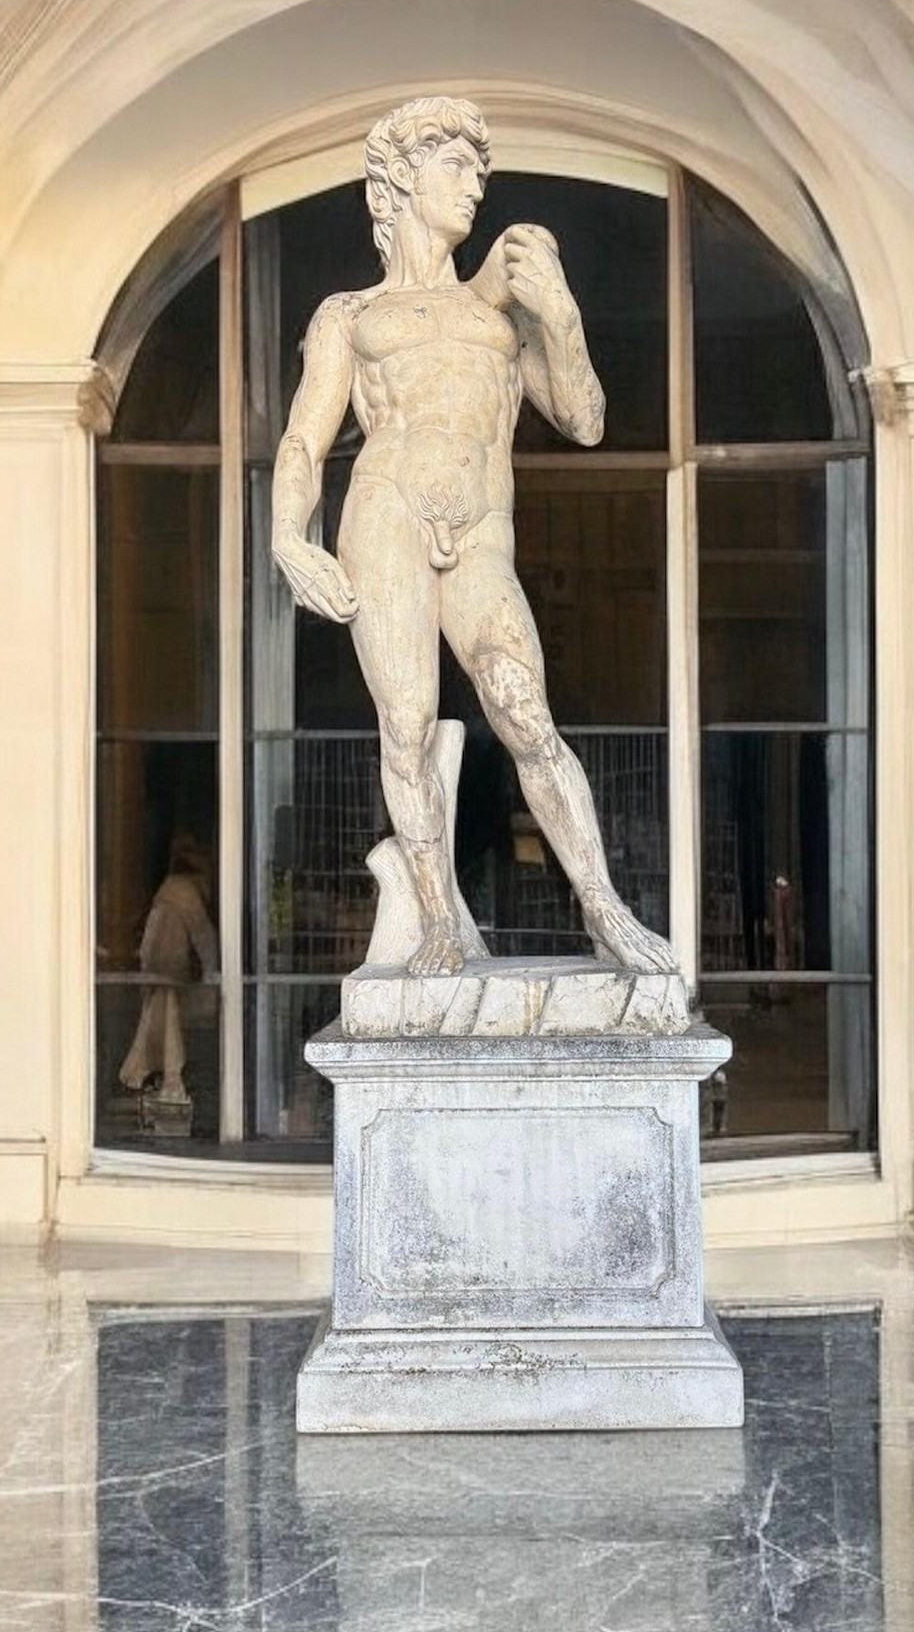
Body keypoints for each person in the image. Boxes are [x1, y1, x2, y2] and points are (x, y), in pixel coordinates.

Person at [271, 95, 676, 979]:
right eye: (455, 166)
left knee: (524, 710)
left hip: (483, 528)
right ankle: (436, 922)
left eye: (478, 170)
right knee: (407, 723)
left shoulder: (497, 314)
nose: (474, 186)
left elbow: (585, 422)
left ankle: (603, 908)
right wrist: (290, 539)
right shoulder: (352, 314)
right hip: (386, 513)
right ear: (400, 180)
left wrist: (560, 316)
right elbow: (304, 440)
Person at [118, 835, 218, 1100]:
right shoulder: (185, 891)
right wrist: (213, 973)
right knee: (168, 1031)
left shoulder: (168, 889)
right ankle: (163, 1078)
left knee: (157, 1026)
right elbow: (203, 936)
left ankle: (150, 1075)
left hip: (160, 968)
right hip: (173, 970)